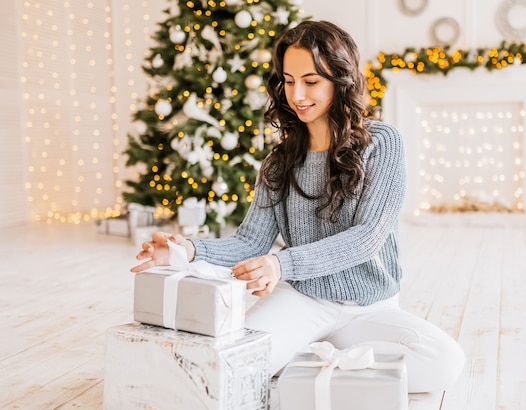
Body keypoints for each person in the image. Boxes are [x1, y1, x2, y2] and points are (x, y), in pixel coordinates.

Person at [132, 20, 465, 393]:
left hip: (371, 307)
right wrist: (187, 249)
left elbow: (368, 237)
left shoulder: (382, 143)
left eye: (311, 81)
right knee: (230, 373)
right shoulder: (279, 162)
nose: (297, 94)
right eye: (289, 81)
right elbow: (250, 243)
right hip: (303, 299)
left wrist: (282, 263)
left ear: (341, 80)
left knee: (444, 362)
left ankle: (308, 371)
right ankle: (315, 367)